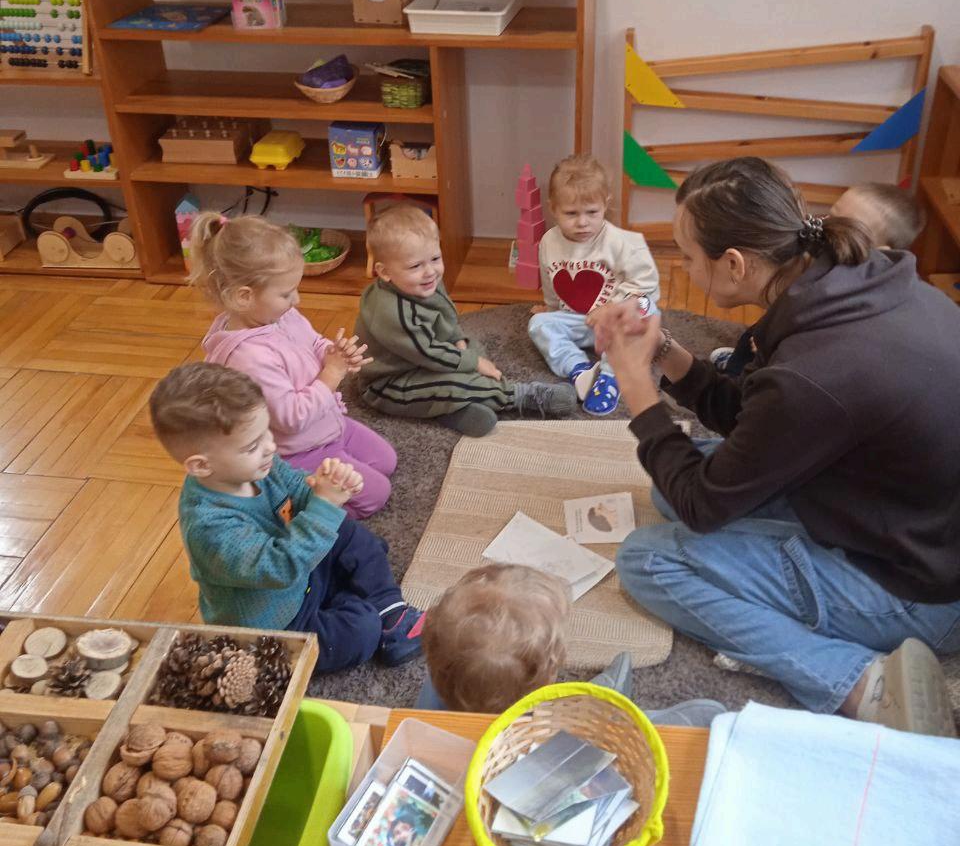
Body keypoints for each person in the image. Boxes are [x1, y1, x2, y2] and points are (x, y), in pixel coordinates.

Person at [592, 156, 960, 737]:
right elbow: (762, 415)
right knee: (670, 488)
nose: (683, 267)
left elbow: (703, 506)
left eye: (688, 255)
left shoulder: (813, 371)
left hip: (920, 588)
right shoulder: (861, 280)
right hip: (909, 517)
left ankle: (859, 683)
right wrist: (663, 352)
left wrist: (637, 388)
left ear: (734, 265)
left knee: (648, 559)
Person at [149, 361, 423, 671]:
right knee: (361, 630)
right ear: (201, 466)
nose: (270, 447)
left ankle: (390, 610)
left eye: (266, 431)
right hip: (277, 623)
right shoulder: (208, 527)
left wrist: (322, 487)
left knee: (347, 531)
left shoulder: (258, 466)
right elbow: (280, 568)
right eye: (252, 445)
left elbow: (294, 485)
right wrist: (323, 506)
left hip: (303, 570)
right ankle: (369, 608)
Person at [190, 213, 396, 519]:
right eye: (286, 293)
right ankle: (299, 506)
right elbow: (293, 419)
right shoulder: (249, 358)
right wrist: (332, 372)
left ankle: (328, 475)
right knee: (377, 494)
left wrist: (333, 352)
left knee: (386, 461)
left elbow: (312, 342)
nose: (297, 299)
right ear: (244, 297)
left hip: (327, 424)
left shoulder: (277, 315)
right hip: (300, 451)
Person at [356, 203, 576, 437]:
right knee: (455, 382)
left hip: (423, 360)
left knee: (473, 347)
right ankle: (521, 396)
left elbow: (446, 315)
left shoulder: (422, 282)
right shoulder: (391, 312)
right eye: (415, 266)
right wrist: (472, 363)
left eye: (435, 258)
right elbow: (429, 353)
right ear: (384, 272)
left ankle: (447, 408)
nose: (430, 271)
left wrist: (458, 342)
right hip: (391, 384)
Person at [418, 563, 725, 726]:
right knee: (611, 730)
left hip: (458, 730)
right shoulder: (540, 734)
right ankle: (628, 715)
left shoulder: (438, 685)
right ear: (548, 674)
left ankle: (599, 697)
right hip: (534, 747)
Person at [710, 181, 927, 376]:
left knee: (754, 344)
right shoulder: (830, 257)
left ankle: (735, 376)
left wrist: (771, 347)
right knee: (756, 332)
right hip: (797, 331)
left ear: (879, 251)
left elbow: (825, 341)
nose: (826, 227)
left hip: (811, 361)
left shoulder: (856, 295)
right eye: (831, 215)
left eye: (847, 227)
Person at [528, 154, 660, 415]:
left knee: (649, 309)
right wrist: (551, 308)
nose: (582, 222)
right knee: (538, 324)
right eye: (571, 213)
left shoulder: (623, 242)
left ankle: (611, 375)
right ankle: (580, 369)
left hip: (616, 322)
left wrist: (613, 307)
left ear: (605, 204)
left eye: (592, 212)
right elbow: (550, 281)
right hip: (579, 321)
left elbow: (648, 287)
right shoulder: (549, 242)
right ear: (553, 208)